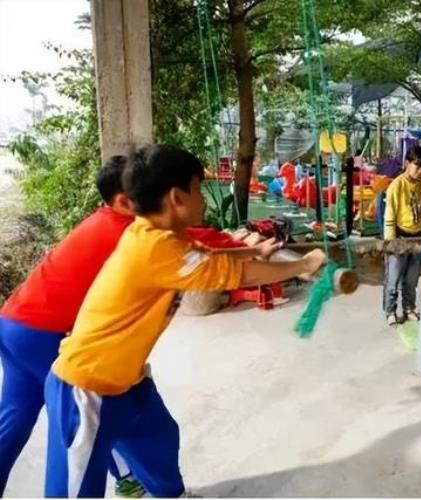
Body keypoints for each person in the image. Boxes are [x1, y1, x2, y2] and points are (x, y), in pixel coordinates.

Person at [42, 145, 326, 497]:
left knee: (158, 441)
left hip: (127, 383)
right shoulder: (154, 248)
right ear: (176, 197)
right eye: (198, 189)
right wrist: (302, 265)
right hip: (86, 388)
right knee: (72, 490)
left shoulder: (156, 234)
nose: (204, 199)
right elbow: (236, 275)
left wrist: (254, 249)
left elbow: (207, 256)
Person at [0, 156, 145, 497]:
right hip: (40, 330)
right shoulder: (128, 232)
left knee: (14, 420)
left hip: (12, 323)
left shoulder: (101, 219)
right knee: (87, 410)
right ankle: (130, 478)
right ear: (123, 200)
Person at [382, 145, 421, 326]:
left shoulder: (420, 185)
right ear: (408, 163)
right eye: (417, 166)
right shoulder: (396, 185)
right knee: (393, 279)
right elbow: (389, 215)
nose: (420, 171)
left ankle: (409, 308)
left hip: (416, 237)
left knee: (411, 279)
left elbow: (420, 207)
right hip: (399, 238)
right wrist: (391, 242)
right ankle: (390, 310)